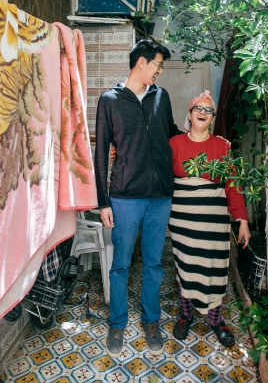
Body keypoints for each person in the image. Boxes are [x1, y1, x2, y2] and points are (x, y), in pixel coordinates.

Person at [94, 39, 182, 358]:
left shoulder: (162, 97)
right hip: (125, 197)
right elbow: (101, 152)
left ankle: (151, 320)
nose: (159, 71)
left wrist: (200, 131)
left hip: (160, 196)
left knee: (155, 263)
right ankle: (117, 323)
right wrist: (103, 201)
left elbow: (171, 134)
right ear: (141, 63)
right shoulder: (110, 100)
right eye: (157, 65)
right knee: (121, 264)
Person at [168, 90, 250, 347]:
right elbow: (159, 176)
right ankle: (186, 314)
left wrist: (242, 220)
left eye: (208, 110)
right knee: (186, 266)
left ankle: (216, 319)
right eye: (198, 109)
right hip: (182, 222)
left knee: (213, 268)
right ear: (190, 114)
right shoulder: (174, 144)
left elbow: (233, 186)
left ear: (212, 118)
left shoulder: (223, 146)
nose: (202, 113)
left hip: (214, 222)